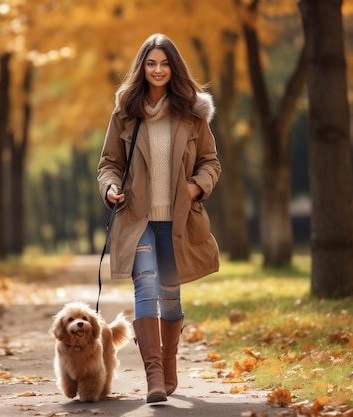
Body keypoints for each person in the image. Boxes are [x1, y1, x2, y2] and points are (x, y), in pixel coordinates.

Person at [97, 33, 221, 403]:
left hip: (179, 221)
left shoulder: (192, 114)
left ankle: (169, 365)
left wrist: (197, 188)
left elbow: (210, 162)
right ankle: (153, 377)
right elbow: (109, 163)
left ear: (174, 67)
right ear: (142, 67)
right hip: (138, 219)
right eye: (151, 63)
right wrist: (110, 188)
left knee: (170, 297)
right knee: (146, 288)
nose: (158, 70)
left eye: (165, 63)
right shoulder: (125, 114)